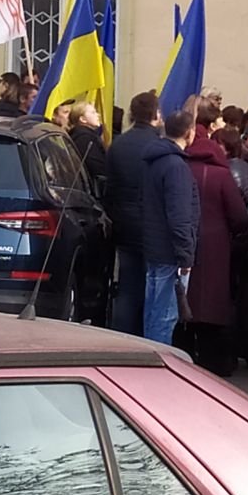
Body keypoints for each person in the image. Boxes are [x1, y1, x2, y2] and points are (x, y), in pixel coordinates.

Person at [184, 108, 248, 376]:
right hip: (216, 247)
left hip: (185, 242)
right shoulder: (221, 175)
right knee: (212, 303)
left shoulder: (181, 167)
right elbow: (239, 216)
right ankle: (214, 362)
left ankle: (185, 353)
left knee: (184, 302)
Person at [106, 91, 162, 336]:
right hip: (153, 225)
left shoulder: (118, 144)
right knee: (155, 288)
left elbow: (110, 186)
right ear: (155, 114)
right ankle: (148, 339)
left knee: (128, 287)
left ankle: (122, 337)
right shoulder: (160, 146)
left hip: (124, 224)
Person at [141, 111, 198, 345]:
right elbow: (180, 215)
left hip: (153, 246)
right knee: (165, 316)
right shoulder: (176, 167)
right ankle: (157, 367)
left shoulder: (153, 161)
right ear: (189, 132)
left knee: (153, 311)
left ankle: (148, 356)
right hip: (170, 251)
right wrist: (186, 255)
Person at [68, 101, 108, 185]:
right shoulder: (85, 138)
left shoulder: (80, 135)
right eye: (93, 113)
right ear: (83, 119)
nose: (98, 115)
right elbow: (96, 167)